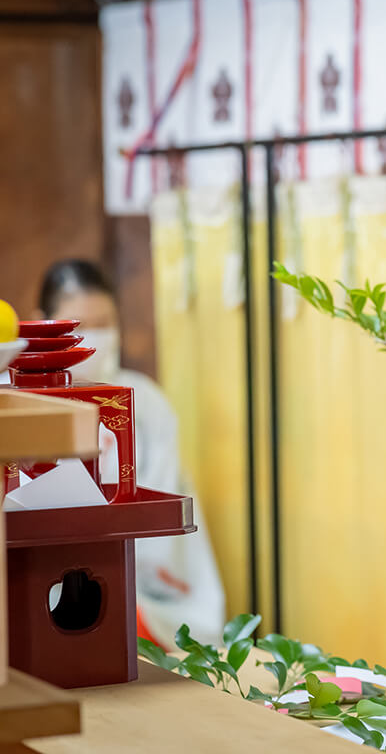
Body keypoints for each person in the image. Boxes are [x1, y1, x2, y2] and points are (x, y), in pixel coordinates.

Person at [38, 259, 226, 646]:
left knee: (121, 618)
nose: (94, 338)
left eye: (104, 324)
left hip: (132, 572)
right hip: (39, 566)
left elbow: (158, 496)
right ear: (43, 323)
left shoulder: (145, 402)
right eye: (79, 325)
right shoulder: (20, 400)